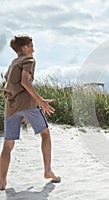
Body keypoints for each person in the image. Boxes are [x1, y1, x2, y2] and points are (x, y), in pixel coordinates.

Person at [0, 35, 60, 190]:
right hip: (27, 104)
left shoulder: (13, 63)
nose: (34, 49)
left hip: (11, 106)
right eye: (31, 45)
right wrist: (40, 102)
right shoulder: (29, 60)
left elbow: (7, 84)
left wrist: (21, 111)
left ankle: (1, 181)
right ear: (25, 47)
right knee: (45, 134)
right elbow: (25, 81)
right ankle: (48, 171)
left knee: (7, 145)